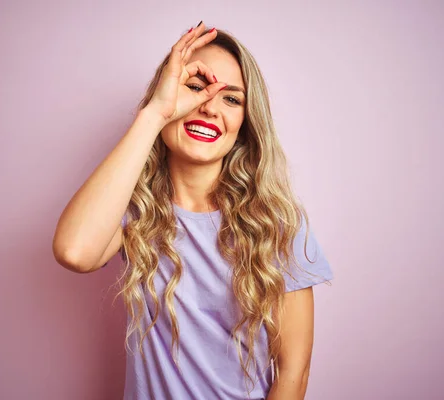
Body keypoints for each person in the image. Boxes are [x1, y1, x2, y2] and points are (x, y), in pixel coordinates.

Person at [53, 21, 333, 400]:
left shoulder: (277, 224)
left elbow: (292, 373)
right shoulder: (132, 209)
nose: (209, 108)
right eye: (195, 87)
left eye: (231, 99)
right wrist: (155, 114)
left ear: (246, 124)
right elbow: (74, 252)